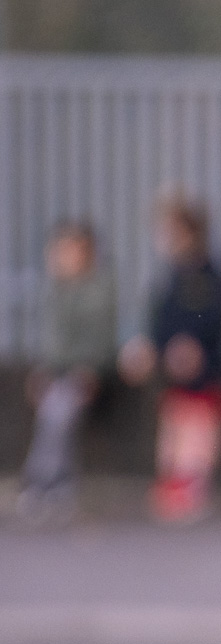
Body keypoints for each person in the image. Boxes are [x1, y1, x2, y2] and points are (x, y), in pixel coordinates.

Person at [120, 199, 221, 523]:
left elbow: (214, 322)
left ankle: (196, 483)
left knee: (198, 424)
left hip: (205, 373)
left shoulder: (211, 274)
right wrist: (148, 348)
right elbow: (159, 323)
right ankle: (175, 481)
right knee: (173, 430)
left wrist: (192, 347)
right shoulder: (169, 276)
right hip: (174, 378)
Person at [17, 221, 117, 524]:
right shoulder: (56, 292)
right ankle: (51, 482)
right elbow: (51, 345)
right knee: (52, 410)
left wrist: (88, 372)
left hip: (90, 377)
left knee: (58, 412)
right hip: (59, 375)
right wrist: (43, 371)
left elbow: (101, 343)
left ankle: (47, 481)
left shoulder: (98, 291)